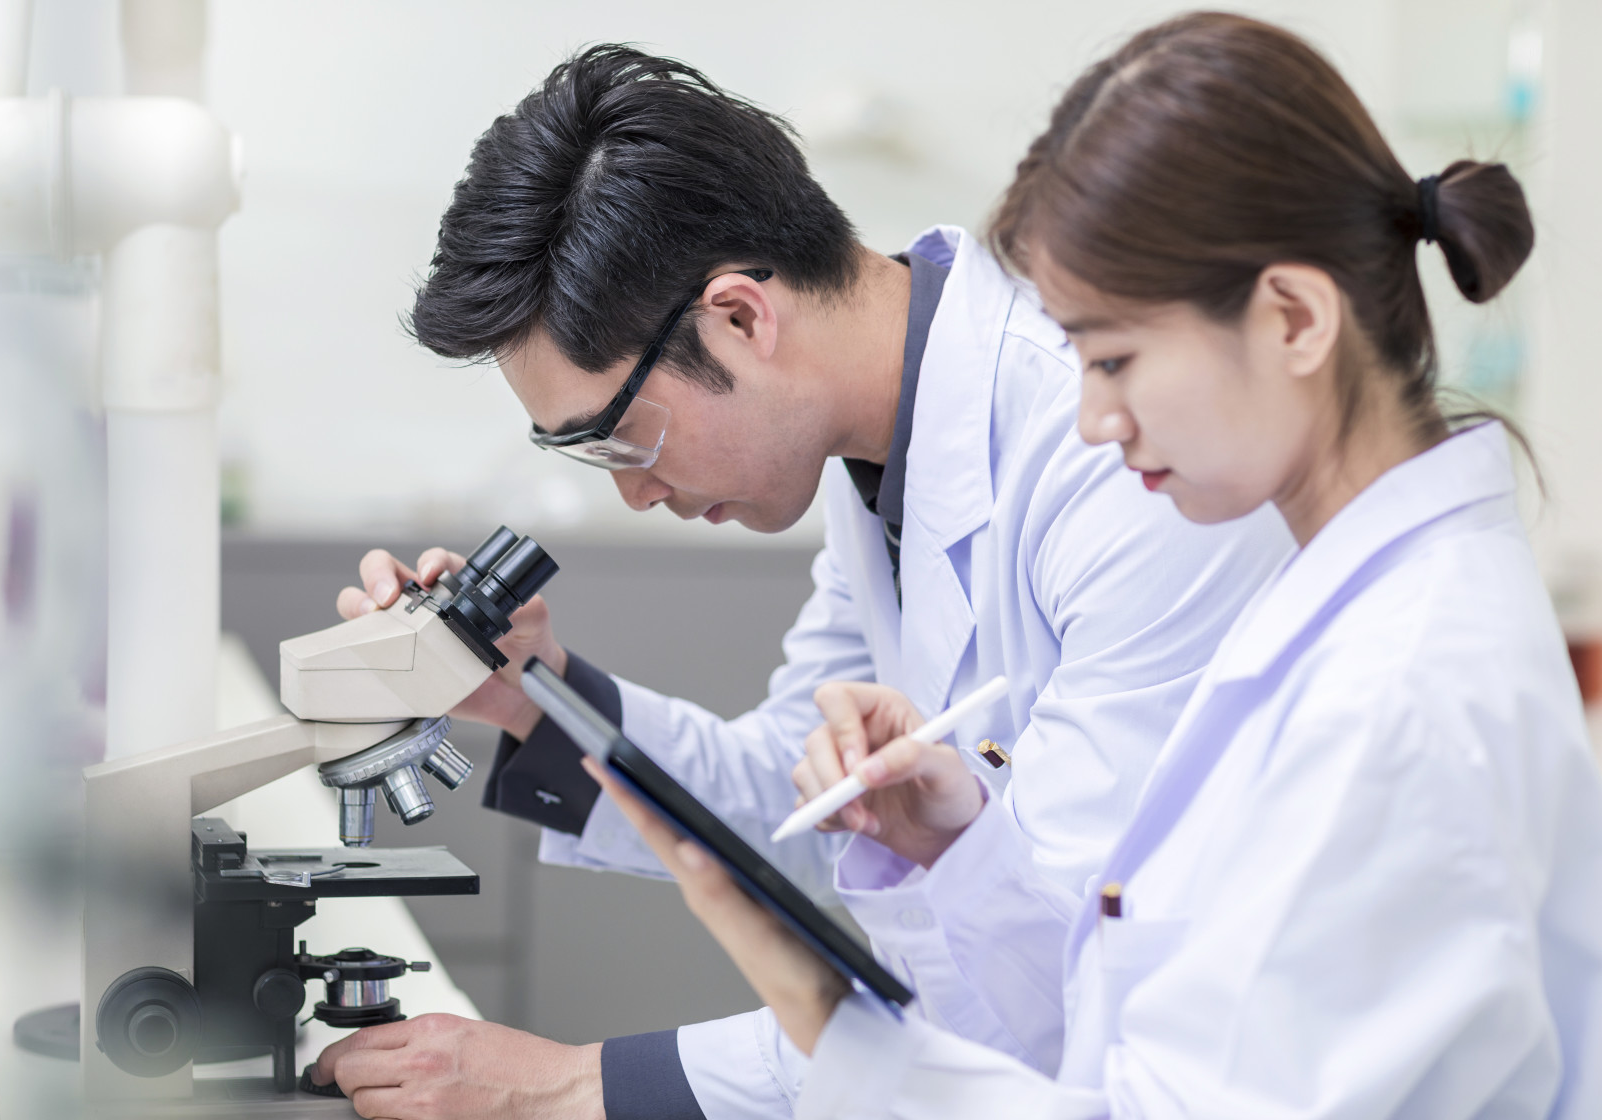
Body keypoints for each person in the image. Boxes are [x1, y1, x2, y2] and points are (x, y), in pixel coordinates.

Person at [600, 12, 1602, 1118]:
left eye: (1114, 358)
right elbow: (1121, 1023)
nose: (1090, 420)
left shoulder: (1399, 692)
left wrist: (832, 1025)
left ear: (1294, 320)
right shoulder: (1338, 617)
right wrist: (964, 842)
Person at [309, 43, 1291, 1120]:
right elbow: (803, 800)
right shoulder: (877, 462)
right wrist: (530, 690)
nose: (635, 496)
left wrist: (572, 1085)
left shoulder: (1115, 455)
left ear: (740, 317)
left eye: (621, 440)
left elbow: (1053, 975)